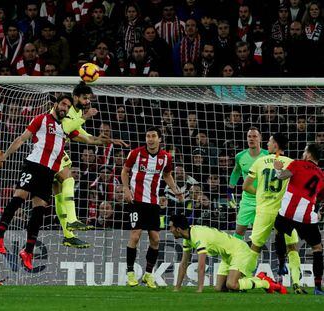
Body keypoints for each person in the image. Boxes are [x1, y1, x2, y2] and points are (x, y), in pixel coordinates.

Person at [0, 94, 117, 269]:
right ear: (56, 104)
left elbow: (91, 139)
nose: (64, 108)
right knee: (19, 197)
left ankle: (27, 252)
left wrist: (110, 141)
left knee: (39, 210)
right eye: (63, 104)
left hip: (49, 173)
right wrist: (5, 156)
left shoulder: (65, 128)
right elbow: (21, 139)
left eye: (67, 106)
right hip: (34, 165)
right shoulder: (42, 119)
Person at [54, 82, 128, 248]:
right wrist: (86, 117)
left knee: (58, 193)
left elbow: (86, 137)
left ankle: (68, 235)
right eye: (85, 98)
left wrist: (109, 140)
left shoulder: (78, 112)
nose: (88, 101)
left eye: (89, 98)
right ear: (75, 97)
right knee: (67, 182)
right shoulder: (67, 109)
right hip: (47, 151)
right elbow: (65, 127)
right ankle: (71, 221)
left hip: (55, 152)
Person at [122, 127, 184, 288]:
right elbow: (125, 171)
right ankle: (130, 273)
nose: (150, 139)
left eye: (153, 136)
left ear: (159, 139)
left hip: (153, 203)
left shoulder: (166, 157)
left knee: (155, 239)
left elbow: (167, 175)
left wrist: (176, 191)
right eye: (148, 136)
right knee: (135, 235)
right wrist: (126, 189)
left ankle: (148, 275)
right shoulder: (135, 153)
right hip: (136, 201)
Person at [169, 213, 286, 294]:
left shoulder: (198, 236)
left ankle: (264, 282)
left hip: (239, 250)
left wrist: (200, 289)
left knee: (231, 285)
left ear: (178, 229)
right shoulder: (187, 238)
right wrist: (177, 288)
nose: (170, 230)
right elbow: (183, 264)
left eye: (171, 227)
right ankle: (256, 279)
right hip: (227, 255)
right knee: (219, 289)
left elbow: (201, 265)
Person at [243, 133, 301, 292]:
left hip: (264, 211)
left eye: (269, 141)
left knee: (255, 247)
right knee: (292, 247)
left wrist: (261, 194)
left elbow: (245, 186)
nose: (267, 144)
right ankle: (296, 283)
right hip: (285, 212)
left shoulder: (259, 161)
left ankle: (245, 280)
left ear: (275, 144)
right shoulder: (292, 163)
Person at [273, 144, 324, 295]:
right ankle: (317, 287)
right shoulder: (321, 175)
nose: (302, 154)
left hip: (288, 213)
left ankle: (282, 264)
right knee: (317, 249)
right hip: (307, 217)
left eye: (304, 151)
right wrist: (319, 212)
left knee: (278, 231)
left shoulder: (297, 163)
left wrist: (277, 168)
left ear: (308, 155)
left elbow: (282, 176)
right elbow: (320, 199)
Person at [228, 127, 268, 240]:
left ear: (260, 138)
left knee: (258, 232)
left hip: (263, 199)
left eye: (254, 136)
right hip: (247, 199)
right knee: (239, 231)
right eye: (249, 136)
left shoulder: (268, 155)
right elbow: (236, 172)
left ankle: (256, 257)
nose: (251, 139)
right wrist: (229, 191)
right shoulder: (240, 156)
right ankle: (236, 255)